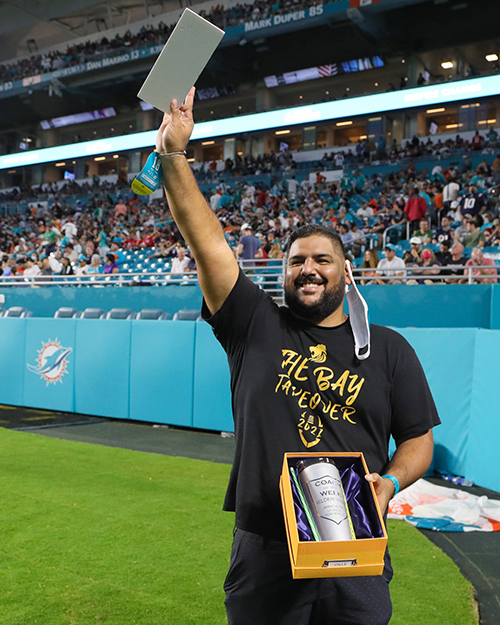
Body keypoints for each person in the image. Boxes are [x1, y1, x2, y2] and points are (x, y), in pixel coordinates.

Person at [154, 89, 440, 625]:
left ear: (345, 272)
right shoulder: (254, 324)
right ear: (282, 273)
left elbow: (420, 441)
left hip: (354, 541)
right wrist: (173, 155)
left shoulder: (390, 348)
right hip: (264, 545)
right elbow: (207, 242)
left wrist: (391, 483)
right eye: (296, 261)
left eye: (322, 260)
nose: (308, 268)